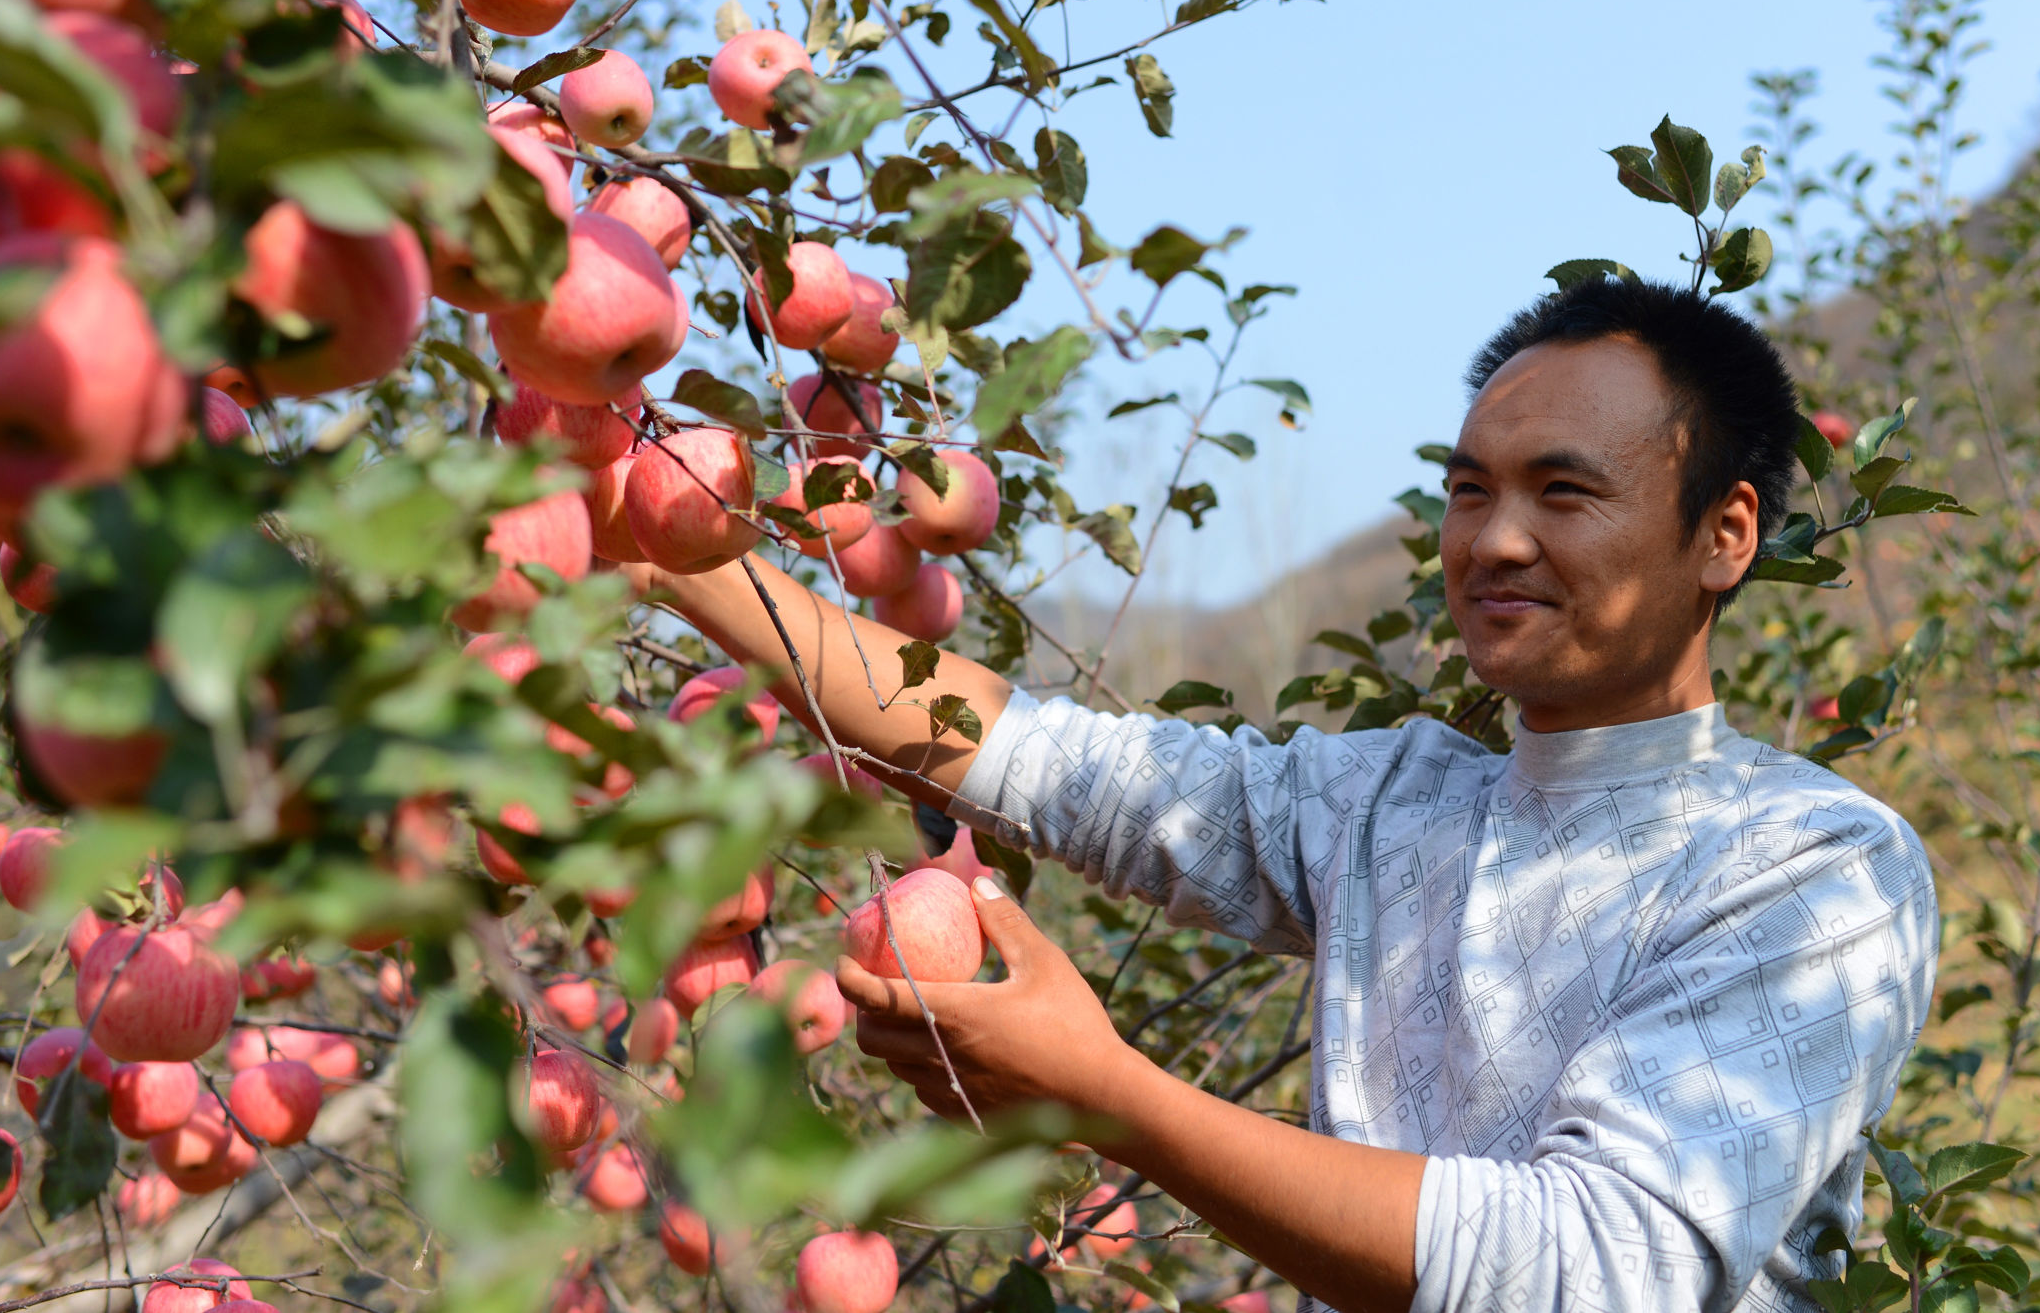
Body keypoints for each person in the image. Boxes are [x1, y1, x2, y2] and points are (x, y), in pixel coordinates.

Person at [626, 277, 1939, 1313]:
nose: (1496, 540)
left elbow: (1590, 1276)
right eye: (1470, 491)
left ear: (1726, 535)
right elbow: (1044, 761)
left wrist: (1112, 1098)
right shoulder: (1400, 807)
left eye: (1565, 492)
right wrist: (677, 547)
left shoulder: (1813, 867)